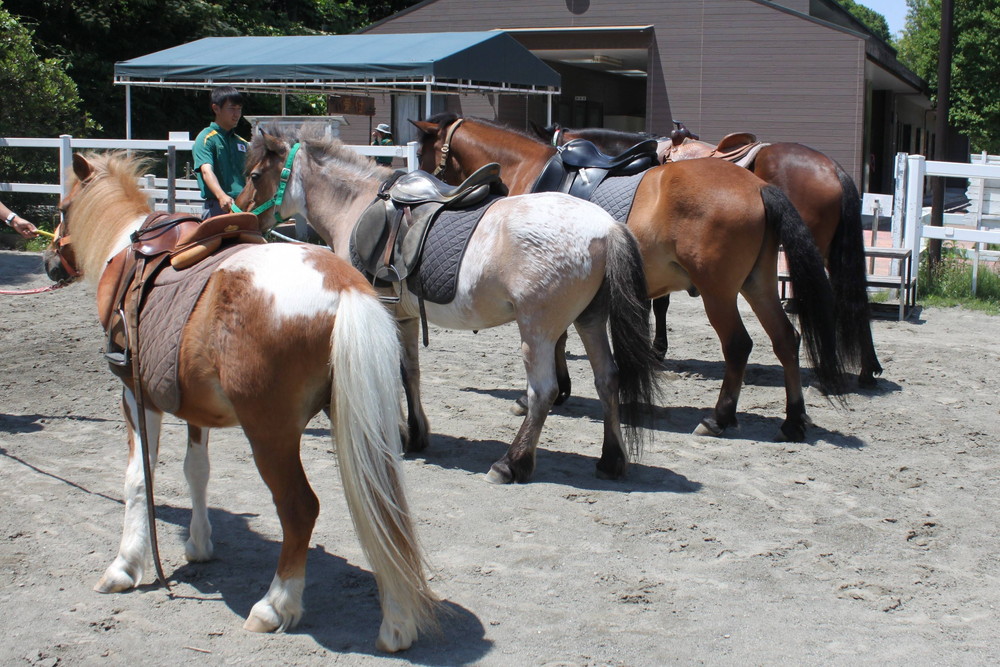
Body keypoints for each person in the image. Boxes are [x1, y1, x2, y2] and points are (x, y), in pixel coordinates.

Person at [193, 87, 249, 219]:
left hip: (244, 207)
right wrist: (221, 196)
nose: (237, 114)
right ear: (216, 108)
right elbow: (206, 171)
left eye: (239, 109)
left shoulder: (242, 143)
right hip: (218, 206)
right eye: (232, 108)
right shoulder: (206, 138)